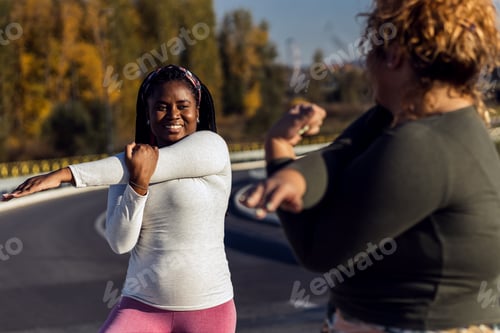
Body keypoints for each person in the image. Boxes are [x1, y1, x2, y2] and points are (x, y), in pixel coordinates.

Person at [240, 0, 500, 332]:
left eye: (371, 49)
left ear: (393, 54)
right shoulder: (428, 121)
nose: (366, 64)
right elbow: (341, 155)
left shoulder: (420, 144)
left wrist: (278, 155)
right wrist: (295, 176)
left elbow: (319, 248)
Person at [3, 64, 236, 333]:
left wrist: (63, 175)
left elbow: (159, 163)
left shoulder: (212, 147)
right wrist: (137, 187)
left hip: (208, 311)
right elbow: (120, 243)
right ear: (147, 114)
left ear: (198, 110)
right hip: (141, 306)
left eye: (183, 106)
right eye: (161, 106)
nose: (174, 114)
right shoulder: (124, 172)